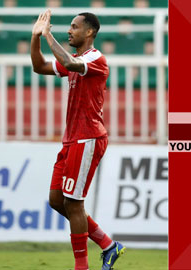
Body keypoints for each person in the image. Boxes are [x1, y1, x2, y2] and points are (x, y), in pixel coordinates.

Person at [31, 10, 125, 270]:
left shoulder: (95, 59)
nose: (69, 30)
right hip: (72, 139)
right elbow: (38, 66)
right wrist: (35, 36)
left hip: (88, 137)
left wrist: (47, 34)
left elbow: (70, 65)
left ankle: (81, 266)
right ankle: (107, 245)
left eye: (74, 27)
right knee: (57, 199)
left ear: (90, 32)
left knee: (73, 202)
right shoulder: (75, 58)